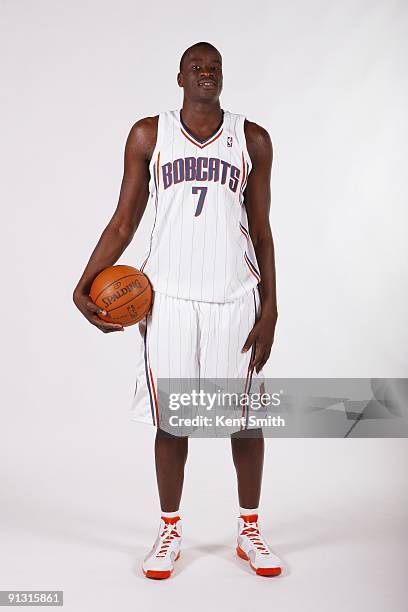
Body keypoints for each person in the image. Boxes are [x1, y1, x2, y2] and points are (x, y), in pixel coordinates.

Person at [73, 41, 282, 579]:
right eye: (197, 67)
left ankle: (250, 530)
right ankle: (169, 531)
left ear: (222, 77)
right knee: (172, 422)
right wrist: (84, 283)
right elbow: (124, 221)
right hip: (166, 300)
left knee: (244, 421)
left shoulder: (251, 139)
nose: (206, 73)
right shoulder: (150, 134)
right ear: (180, 77)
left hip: (235, 298)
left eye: (214, 67)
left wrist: (272, 308)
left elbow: (262, 231)